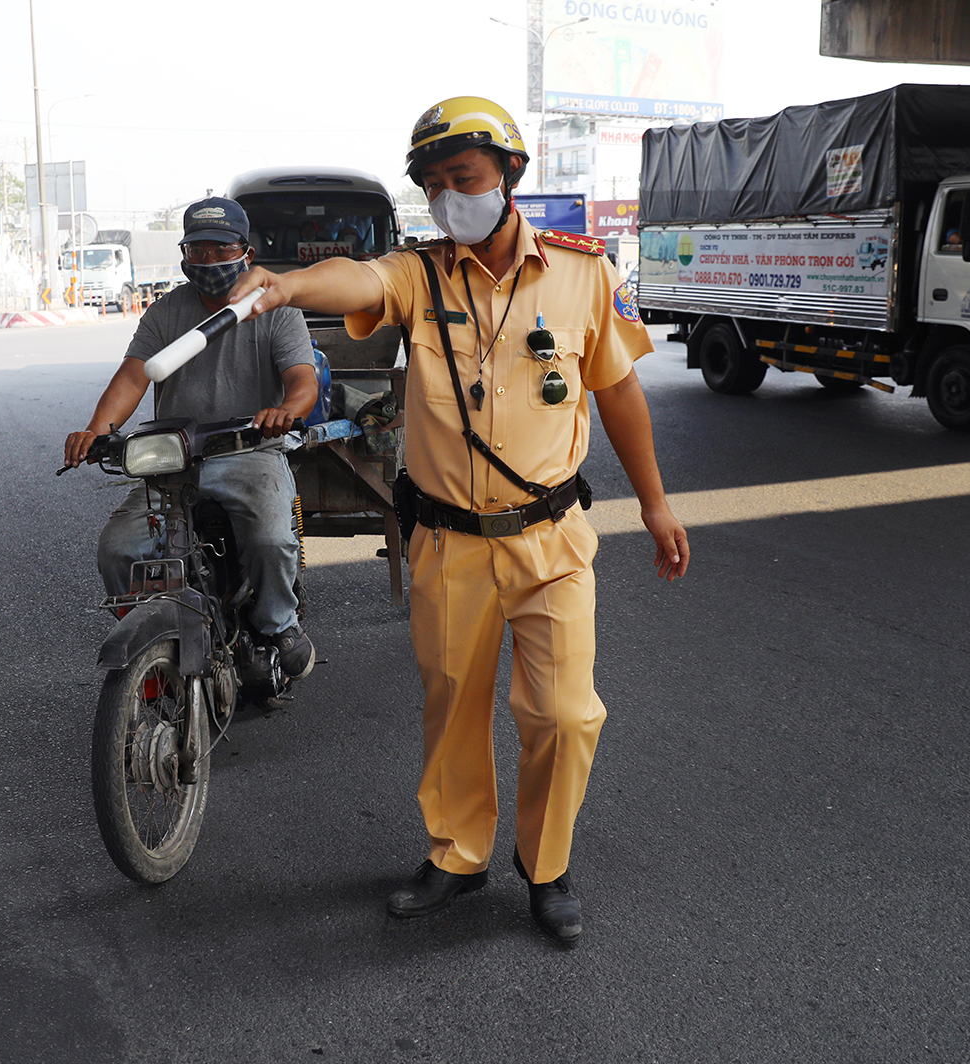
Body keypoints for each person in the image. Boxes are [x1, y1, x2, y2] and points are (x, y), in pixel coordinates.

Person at [227, 97, 690, 941]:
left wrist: (656, 504)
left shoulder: (583, 272)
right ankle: (456, 854)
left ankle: (545, 865)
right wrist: (289, 284)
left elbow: (617, 388)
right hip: (446, 540)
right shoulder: (418, 272)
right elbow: (358, 280)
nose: (448, 198)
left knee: (564, 713)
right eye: (433, 185)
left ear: (509, 174)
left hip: (551, 539)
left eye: (463, 179)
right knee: (454, 705)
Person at [63, 196, 320, 678]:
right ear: (183, 255)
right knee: (117, 549)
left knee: (268, 539)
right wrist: (96, 432)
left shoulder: (276, 310)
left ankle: (277, 624)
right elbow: (132, 378)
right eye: (198, 250)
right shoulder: (163, 314)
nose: (209, 261)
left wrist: (285, 410)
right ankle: (146, 642)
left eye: (221, 250)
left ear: (246, 250)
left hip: (250, 450)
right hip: (173, 460)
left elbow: (303, 381)